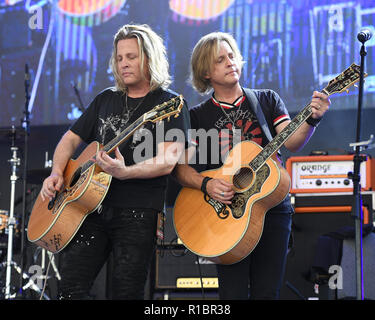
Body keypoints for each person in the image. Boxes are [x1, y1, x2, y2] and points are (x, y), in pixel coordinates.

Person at [173, 32, 331, 300]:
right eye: (220, 60)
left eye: (232, 56)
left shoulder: (266, 99)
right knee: (231, 294)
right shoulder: (196, 116)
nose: (230, 62)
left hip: (271, 207)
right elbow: (180, 169)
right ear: (206, 72)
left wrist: (312, 119)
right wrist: (207, 183)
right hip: (225, 213)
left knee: (267, 293)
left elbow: (292, 141)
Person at [39, 24, 189, 299]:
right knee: (69, 289)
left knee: (126, 293)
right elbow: (70, 140)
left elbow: (168, 161)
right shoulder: (105, 99)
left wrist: (126, 172)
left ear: (149, 58)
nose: (123, 64)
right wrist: (57, 172)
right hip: (89, 211)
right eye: (119, 58)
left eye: (131, 57)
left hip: (138, 213)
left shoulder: (170, 103)